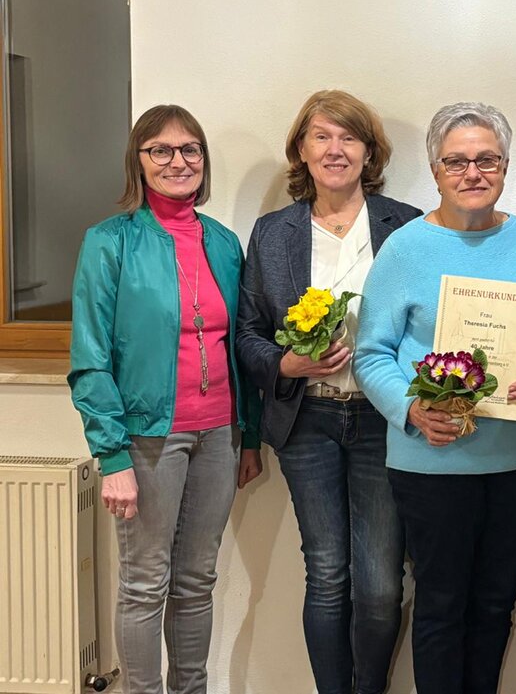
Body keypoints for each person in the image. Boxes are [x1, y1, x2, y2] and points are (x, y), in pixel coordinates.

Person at [354, 102, 516, 694]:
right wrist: (411, 409)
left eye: (486, 159)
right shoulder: (406, 247)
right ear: (435, 171)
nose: (472, 172)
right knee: (439, 608)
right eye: (456, 161)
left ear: (506, 166)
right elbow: (370, 354)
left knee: (495, 607)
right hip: (431, 463)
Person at [69, 105, 262, 694]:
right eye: (161, 150)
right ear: (140, 161)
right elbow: (90, 357)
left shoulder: (225, 242)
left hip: (219, 437)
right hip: (148, 436)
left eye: (190, 150)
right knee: (145, 582)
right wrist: (113, 457)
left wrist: (248, 436)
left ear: (202, 162)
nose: (178, 161)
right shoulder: (110, 242)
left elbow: (242, 343)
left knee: (197, 581)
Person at [235, 90, 420, 694]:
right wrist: (285, 365)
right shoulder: (273, 233)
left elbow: (431, 326)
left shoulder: (408, 225)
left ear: (370, 152)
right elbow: (247, 333)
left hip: (383, 422)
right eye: (321, 136)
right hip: (306, 422)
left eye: (349, 137)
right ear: (302, 150)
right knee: (327, 574)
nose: (335, 149)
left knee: (380, 583)